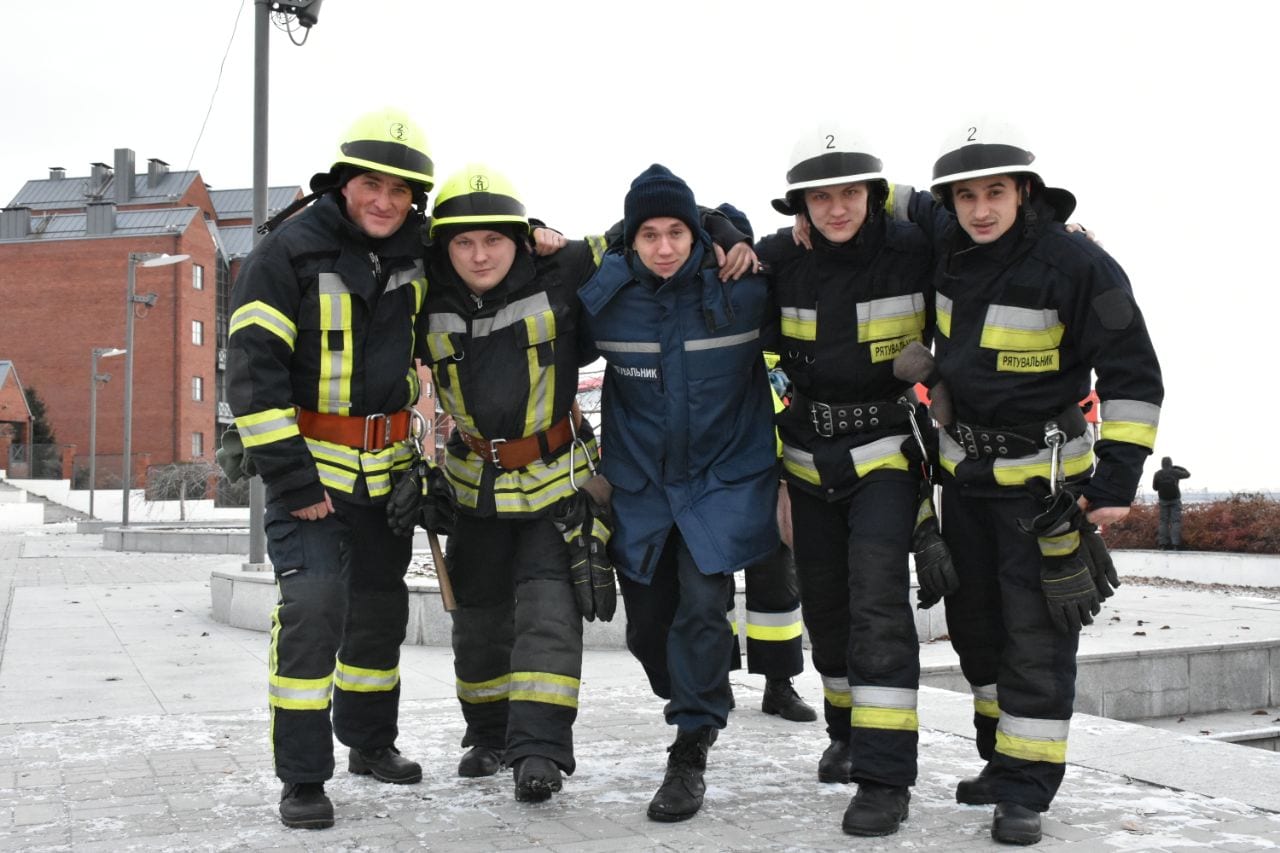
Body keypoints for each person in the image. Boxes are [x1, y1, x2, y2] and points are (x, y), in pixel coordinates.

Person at [924, 118, 1163, 845]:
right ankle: (1000, 762)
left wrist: (1116, 479)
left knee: (1036, 637)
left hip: (1043, 491)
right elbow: (876, 207)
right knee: (976, 633)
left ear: (1025, 191)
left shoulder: (1079, 264)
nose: (981, 208)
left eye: (996, 192)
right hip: (965, 480)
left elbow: (1134, 375)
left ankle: (1026, 788)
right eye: (966, 196)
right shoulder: (946, 255)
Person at [225, 108, 435, 829]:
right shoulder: (284, 254)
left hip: (386, 479)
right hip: (310, 482)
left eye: (400, 191)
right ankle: (303, 776)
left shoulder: (417, 252)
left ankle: (371, 743)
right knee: (314, 612)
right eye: (371, 185)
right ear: (343, 183)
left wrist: (536, 234)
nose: (384, 201)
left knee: (378, 616)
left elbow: (494, 253)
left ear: (415, 200)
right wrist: (294, 483)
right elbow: (253, 378)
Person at [754, 125, 954, 837]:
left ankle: (885, 774)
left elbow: (968, 226)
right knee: (829, 612)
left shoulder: (914, 250)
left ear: (873, 195)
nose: (837, 209)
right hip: (807, 462)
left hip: (885, 457)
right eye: (821, 198)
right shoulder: (780, 258)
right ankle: (845, 730)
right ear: (800, 206)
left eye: (851, 194)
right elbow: (717, 253)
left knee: (878, 604)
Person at [578, 164, 777, 823]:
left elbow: (817, 297)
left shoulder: (744, 290)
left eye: (677, 233)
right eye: (649, 235)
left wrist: (735, 230)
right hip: (640, 485)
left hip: (721, 478)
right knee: (647, 628)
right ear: (631, 241)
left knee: (700, 604)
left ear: (696, 234)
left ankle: (691, 743)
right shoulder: (607, 299)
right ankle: (696, 678)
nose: (664, 248)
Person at [411, 163, 605, 804]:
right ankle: (488, 737)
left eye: (494, 239)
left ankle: (540, 751)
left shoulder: (561, 274)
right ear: (444, 248)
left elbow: (648, 226)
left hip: (555, 483)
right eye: (463, 242)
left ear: (520, 240)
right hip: (473, 490)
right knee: (479, 625)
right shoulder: (426, 297)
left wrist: (721, 227)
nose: (479, 254)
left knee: (550, 618)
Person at [1152, 457, 1190, 549]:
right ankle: (1175, 545)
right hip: (1175, 500)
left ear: (1162, 464)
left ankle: (1163, 544)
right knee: (1175, 521)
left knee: (1163, 522)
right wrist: (1178, 467)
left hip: (1163, 500)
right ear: (1171, 463)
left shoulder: (1158, 474)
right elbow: (1188, 474)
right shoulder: (1175, 472)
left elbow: (1155, 488)